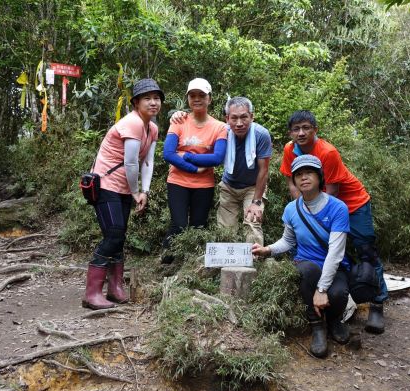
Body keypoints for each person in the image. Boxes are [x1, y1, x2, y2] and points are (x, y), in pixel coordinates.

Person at [279, 110, 387, 334]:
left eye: (306, 128)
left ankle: (377, 302)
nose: (301, 133)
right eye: (296, 129)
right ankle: (335, 297)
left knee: (366, 251)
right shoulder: (290, 149)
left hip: (352, 204)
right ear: (290, 133)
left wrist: (325, 220)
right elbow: (292, 183)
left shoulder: (327, 152)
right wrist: (303, 214)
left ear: (315, 130)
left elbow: (333, 191)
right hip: (318, 206)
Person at [252, 155, 354, 358]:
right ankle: (317, 326)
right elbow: (288, 241)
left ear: (320, 177)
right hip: (306, 265)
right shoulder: (292, 209)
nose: (304, 178)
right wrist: (267, 249)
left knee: (338, 293)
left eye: (309, 173)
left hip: (333, 266)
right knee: (307, 270)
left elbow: (335, 253)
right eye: (299, 174)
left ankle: (334, 321)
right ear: (294, 180)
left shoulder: (337, 208)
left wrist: (323, 289)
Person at [83, 78, 164, 310]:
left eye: (156, 98)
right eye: (147, 98)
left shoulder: (152, 128)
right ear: (136, 103)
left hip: (124, 189)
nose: (153, 102)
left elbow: (147, 162)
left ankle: (116, 289)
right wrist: (136, 190)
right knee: (114, 235)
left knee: (119, 236)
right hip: (106, 184)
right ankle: (92, 293)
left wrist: (144, 192)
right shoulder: (132, 123)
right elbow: (130, 163)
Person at [171, 96, 272, 245]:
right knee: (225, 228)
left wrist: (256, 202)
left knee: (252, 222)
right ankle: (227, 262)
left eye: (244, 117)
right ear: (227, 119)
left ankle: (254, 260)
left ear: (251, 116)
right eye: (234, 118)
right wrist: (178, 115)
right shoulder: (221, 132)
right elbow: (207, 151)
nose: (239, 123)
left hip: (253, 186)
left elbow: (264, 170)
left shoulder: (261, 135)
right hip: (229, 186)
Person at [161, 78, 228, 263]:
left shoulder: (219, 127)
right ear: (188, 98)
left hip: (204, 185)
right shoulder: (179, 121)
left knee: (199, 226)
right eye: (192, 95)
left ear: (209, 99)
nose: (197, 99)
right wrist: (195, 168)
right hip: (177, 182)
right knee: (179, 225)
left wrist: (186, 156)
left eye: (201, 95)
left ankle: (190, 265)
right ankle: (166, 264)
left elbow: (217, 158)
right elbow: (168, 153)